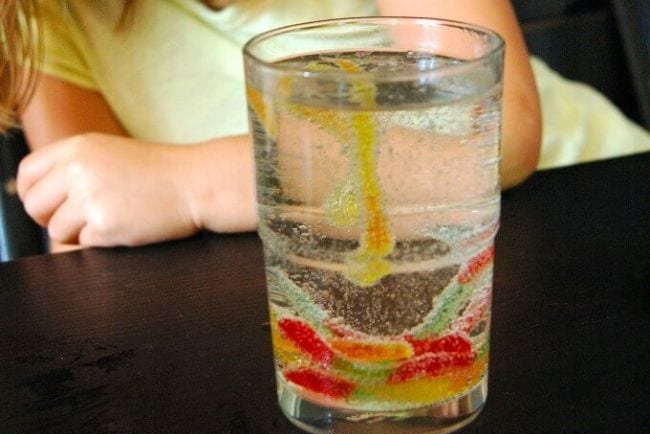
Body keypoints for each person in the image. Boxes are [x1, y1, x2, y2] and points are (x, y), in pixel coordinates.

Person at [0, 0, 618, 253]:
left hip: (584, 216)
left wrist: (196, 183)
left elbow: (496, 138)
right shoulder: (47, 17)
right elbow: (89, 229)